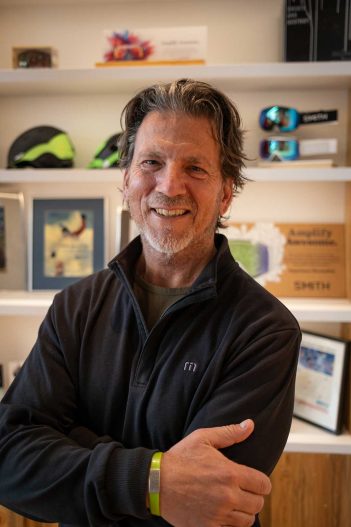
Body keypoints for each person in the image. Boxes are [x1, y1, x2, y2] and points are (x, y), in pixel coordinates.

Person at [0, 79, 301, 527]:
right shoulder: (75, 308)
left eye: (196, 168)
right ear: (126, 180)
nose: (169, 184)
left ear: (225, 193)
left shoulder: (265, 331)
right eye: (152, 162)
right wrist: (154, 480)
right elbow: (10, 460)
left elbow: (213, 502)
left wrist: (75, 444)